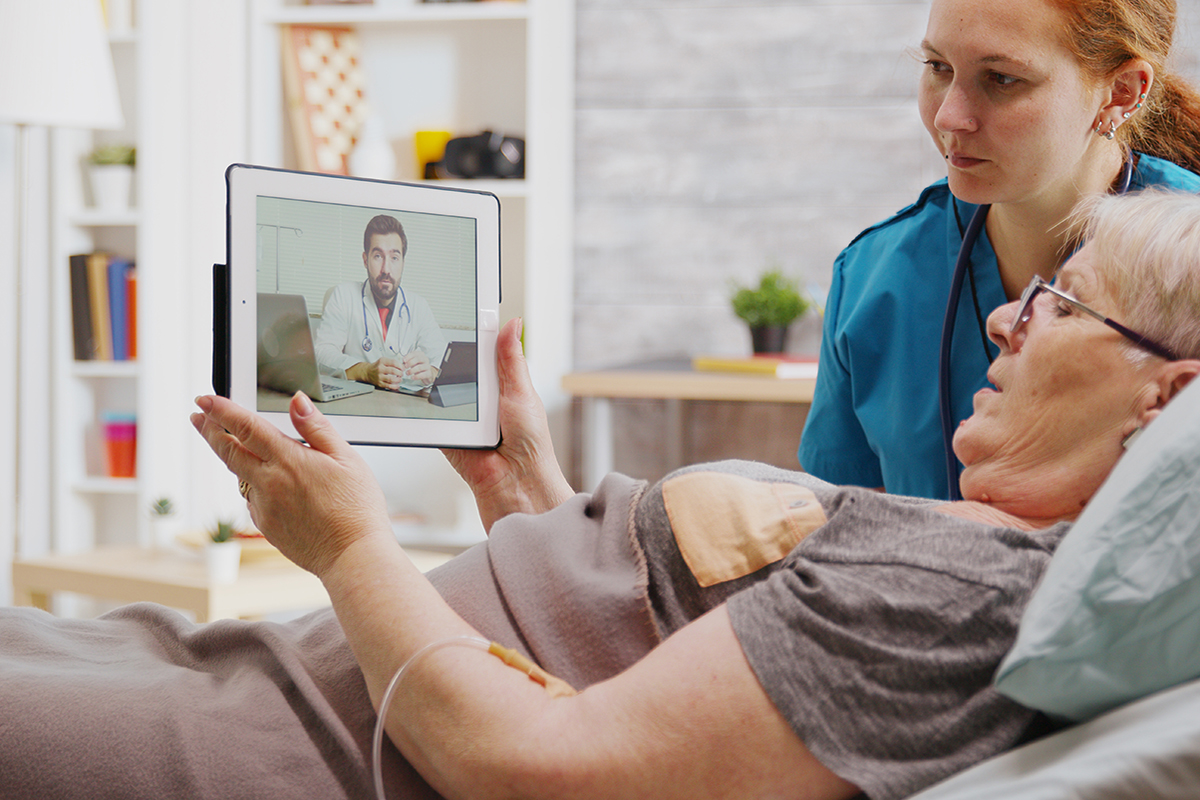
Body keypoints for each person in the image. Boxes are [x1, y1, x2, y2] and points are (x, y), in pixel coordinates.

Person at [3, 190, 1199, 799]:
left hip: (311, 737)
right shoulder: (969, 547)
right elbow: (633, 635)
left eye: (1060, 299)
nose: (1006, 312)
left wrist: (349, 543)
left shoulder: (958, 594)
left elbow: (543, 768)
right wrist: (524, 483)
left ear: (1165, 399)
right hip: (283, 664)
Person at [798, 0, 1200, 501]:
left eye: (1002, 79)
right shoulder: (872, 279)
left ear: (1121, 92)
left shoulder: (1192, 258)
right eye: (938, 68)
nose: (949, 116)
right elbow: (847, 529)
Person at [314, 214, 447, 392]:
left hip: (404, 407)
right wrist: (365, 371)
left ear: (403, 263)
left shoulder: (419, 307)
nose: (386, 269)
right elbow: (321, 354)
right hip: (356, 404)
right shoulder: (343, 296)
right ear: (365, 259)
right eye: (378, 256)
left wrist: (431, 372)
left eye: (394, 258)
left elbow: (441, 359)